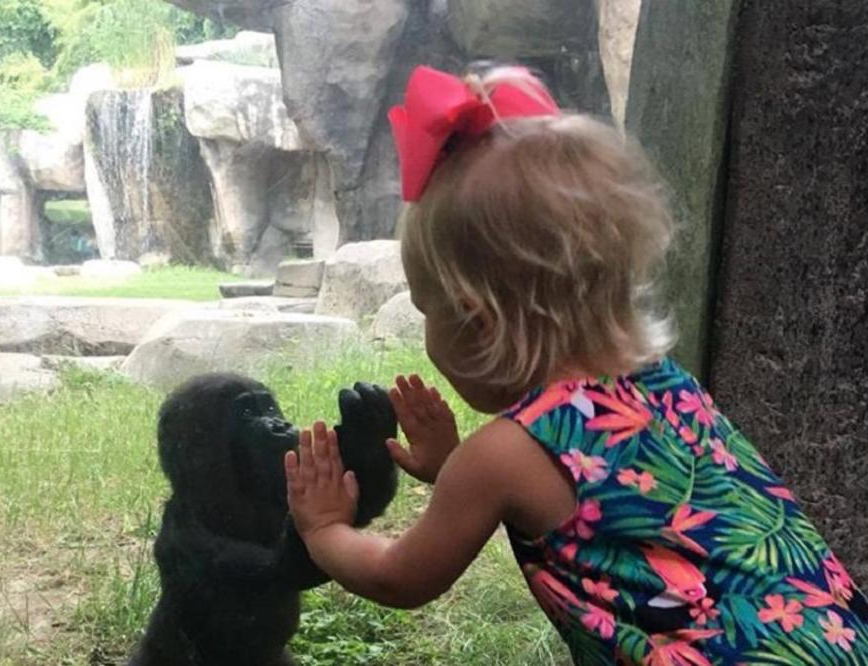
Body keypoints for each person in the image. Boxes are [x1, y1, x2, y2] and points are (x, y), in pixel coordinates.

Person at [284, 65, 868, 665]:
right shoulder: (669, 384)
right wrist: (458, 472)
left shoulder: (501, 457)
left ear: (479, 321)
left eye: (425, 309)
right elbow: (615, 502)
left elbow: (398, 578)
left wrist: (326, 530)